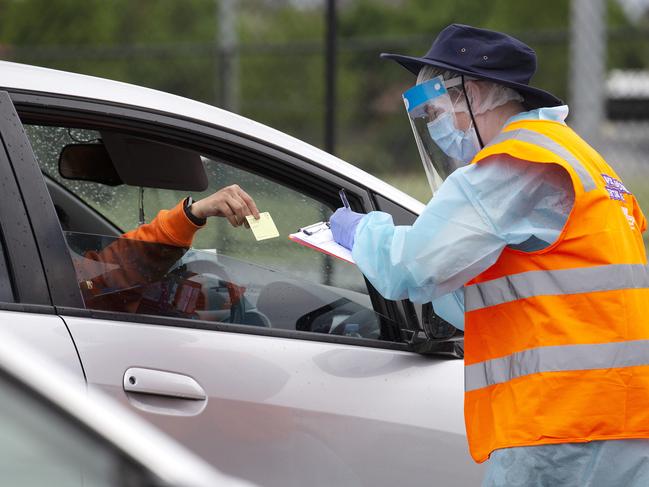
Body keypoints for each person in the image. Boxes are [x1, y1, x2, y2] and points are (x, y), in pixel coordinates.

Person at [330, 24, 649, 486]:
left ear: (472, 95)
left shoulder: (512, 164)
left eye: (436, 110)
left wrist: (362, 231)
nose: (435, 126)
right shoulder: (582, 160)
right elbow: (523, 295)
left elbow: (409, 269)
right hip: (620, 416)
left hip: (561, 426)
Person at [74, 184, 259, 315]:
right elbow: (106, 280)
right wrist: (192, 214)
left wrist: (192, 214)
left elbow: (103, 278)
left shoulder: (63, 279)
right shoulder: (65, 284)